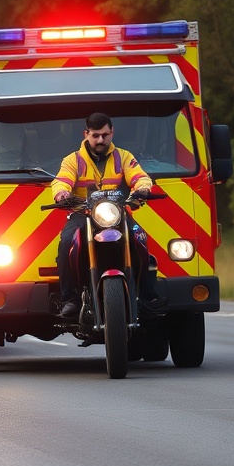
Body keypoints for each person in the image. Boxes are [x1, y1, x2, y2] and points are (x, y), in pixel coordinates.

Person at [50, 113, 161, 319]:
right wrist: (62, 193)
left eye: (105, 135)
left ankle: (146, 296)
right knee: (66, 243)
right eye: (95, 135)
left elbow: (140, 176)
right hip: (82, 213)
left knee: (140, 237)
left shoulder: (124, 157)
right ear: (86, 134)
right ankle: (70, 299)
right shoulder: (73, 160)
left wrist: (143, 188)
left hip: (116, 213)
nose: (100, 140)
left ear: (112, 133)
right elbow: (61, 180)